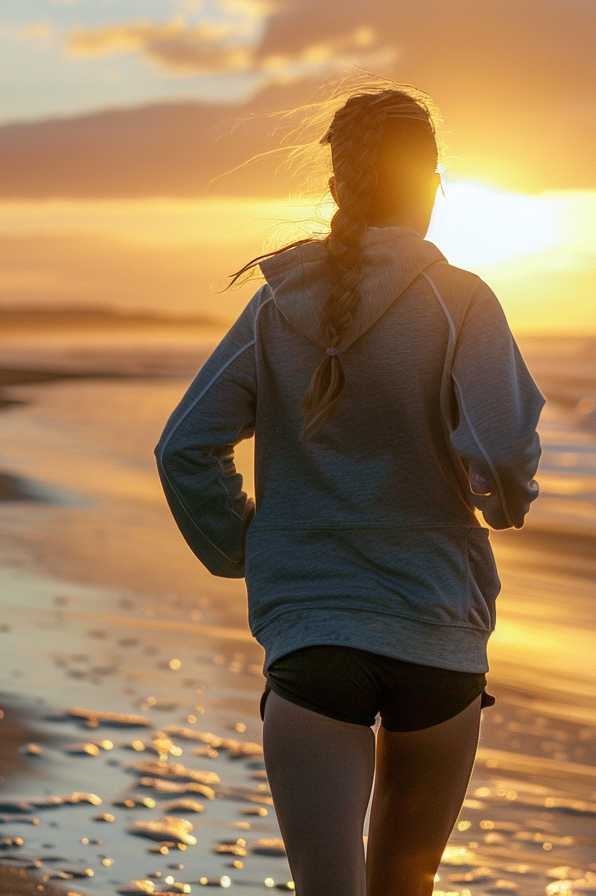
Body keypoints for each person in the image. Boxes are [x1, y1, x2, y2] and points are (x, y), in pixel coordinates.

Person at [154, 85, 544, 896]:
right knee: (406, 888)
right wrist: (501, 507)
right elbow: (502, 447)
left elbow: (185, 446)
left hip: (312, 634)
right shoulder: (462, 299)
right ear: (433, 184)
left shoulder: (276, 307)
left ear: (338, 189)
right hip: (437, 630)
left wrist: (242, 545)